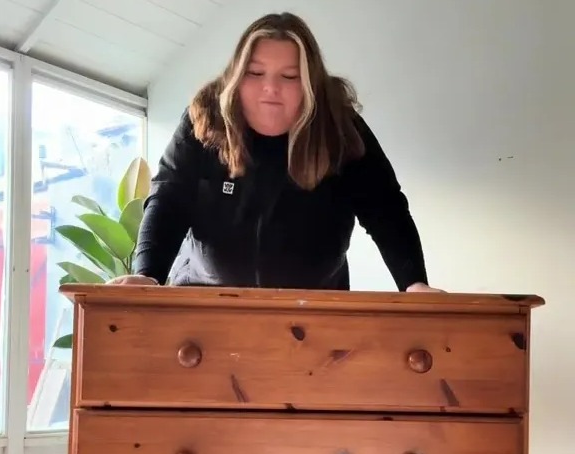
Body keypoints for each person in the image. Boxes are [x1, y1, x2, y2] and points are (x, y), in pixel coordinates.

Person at [111, 12, 443, 294]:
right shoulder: (204, 118)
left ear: (311, 84)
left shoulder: (339, 126)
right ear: (237, 77)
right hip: (204, 300)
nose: (271, 88)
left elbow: (386, 209)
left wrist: (414, 284)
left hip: (314, 311)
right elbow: (169, 200)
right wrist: (147, 274)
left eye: (289, 76)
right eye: (255, 73)